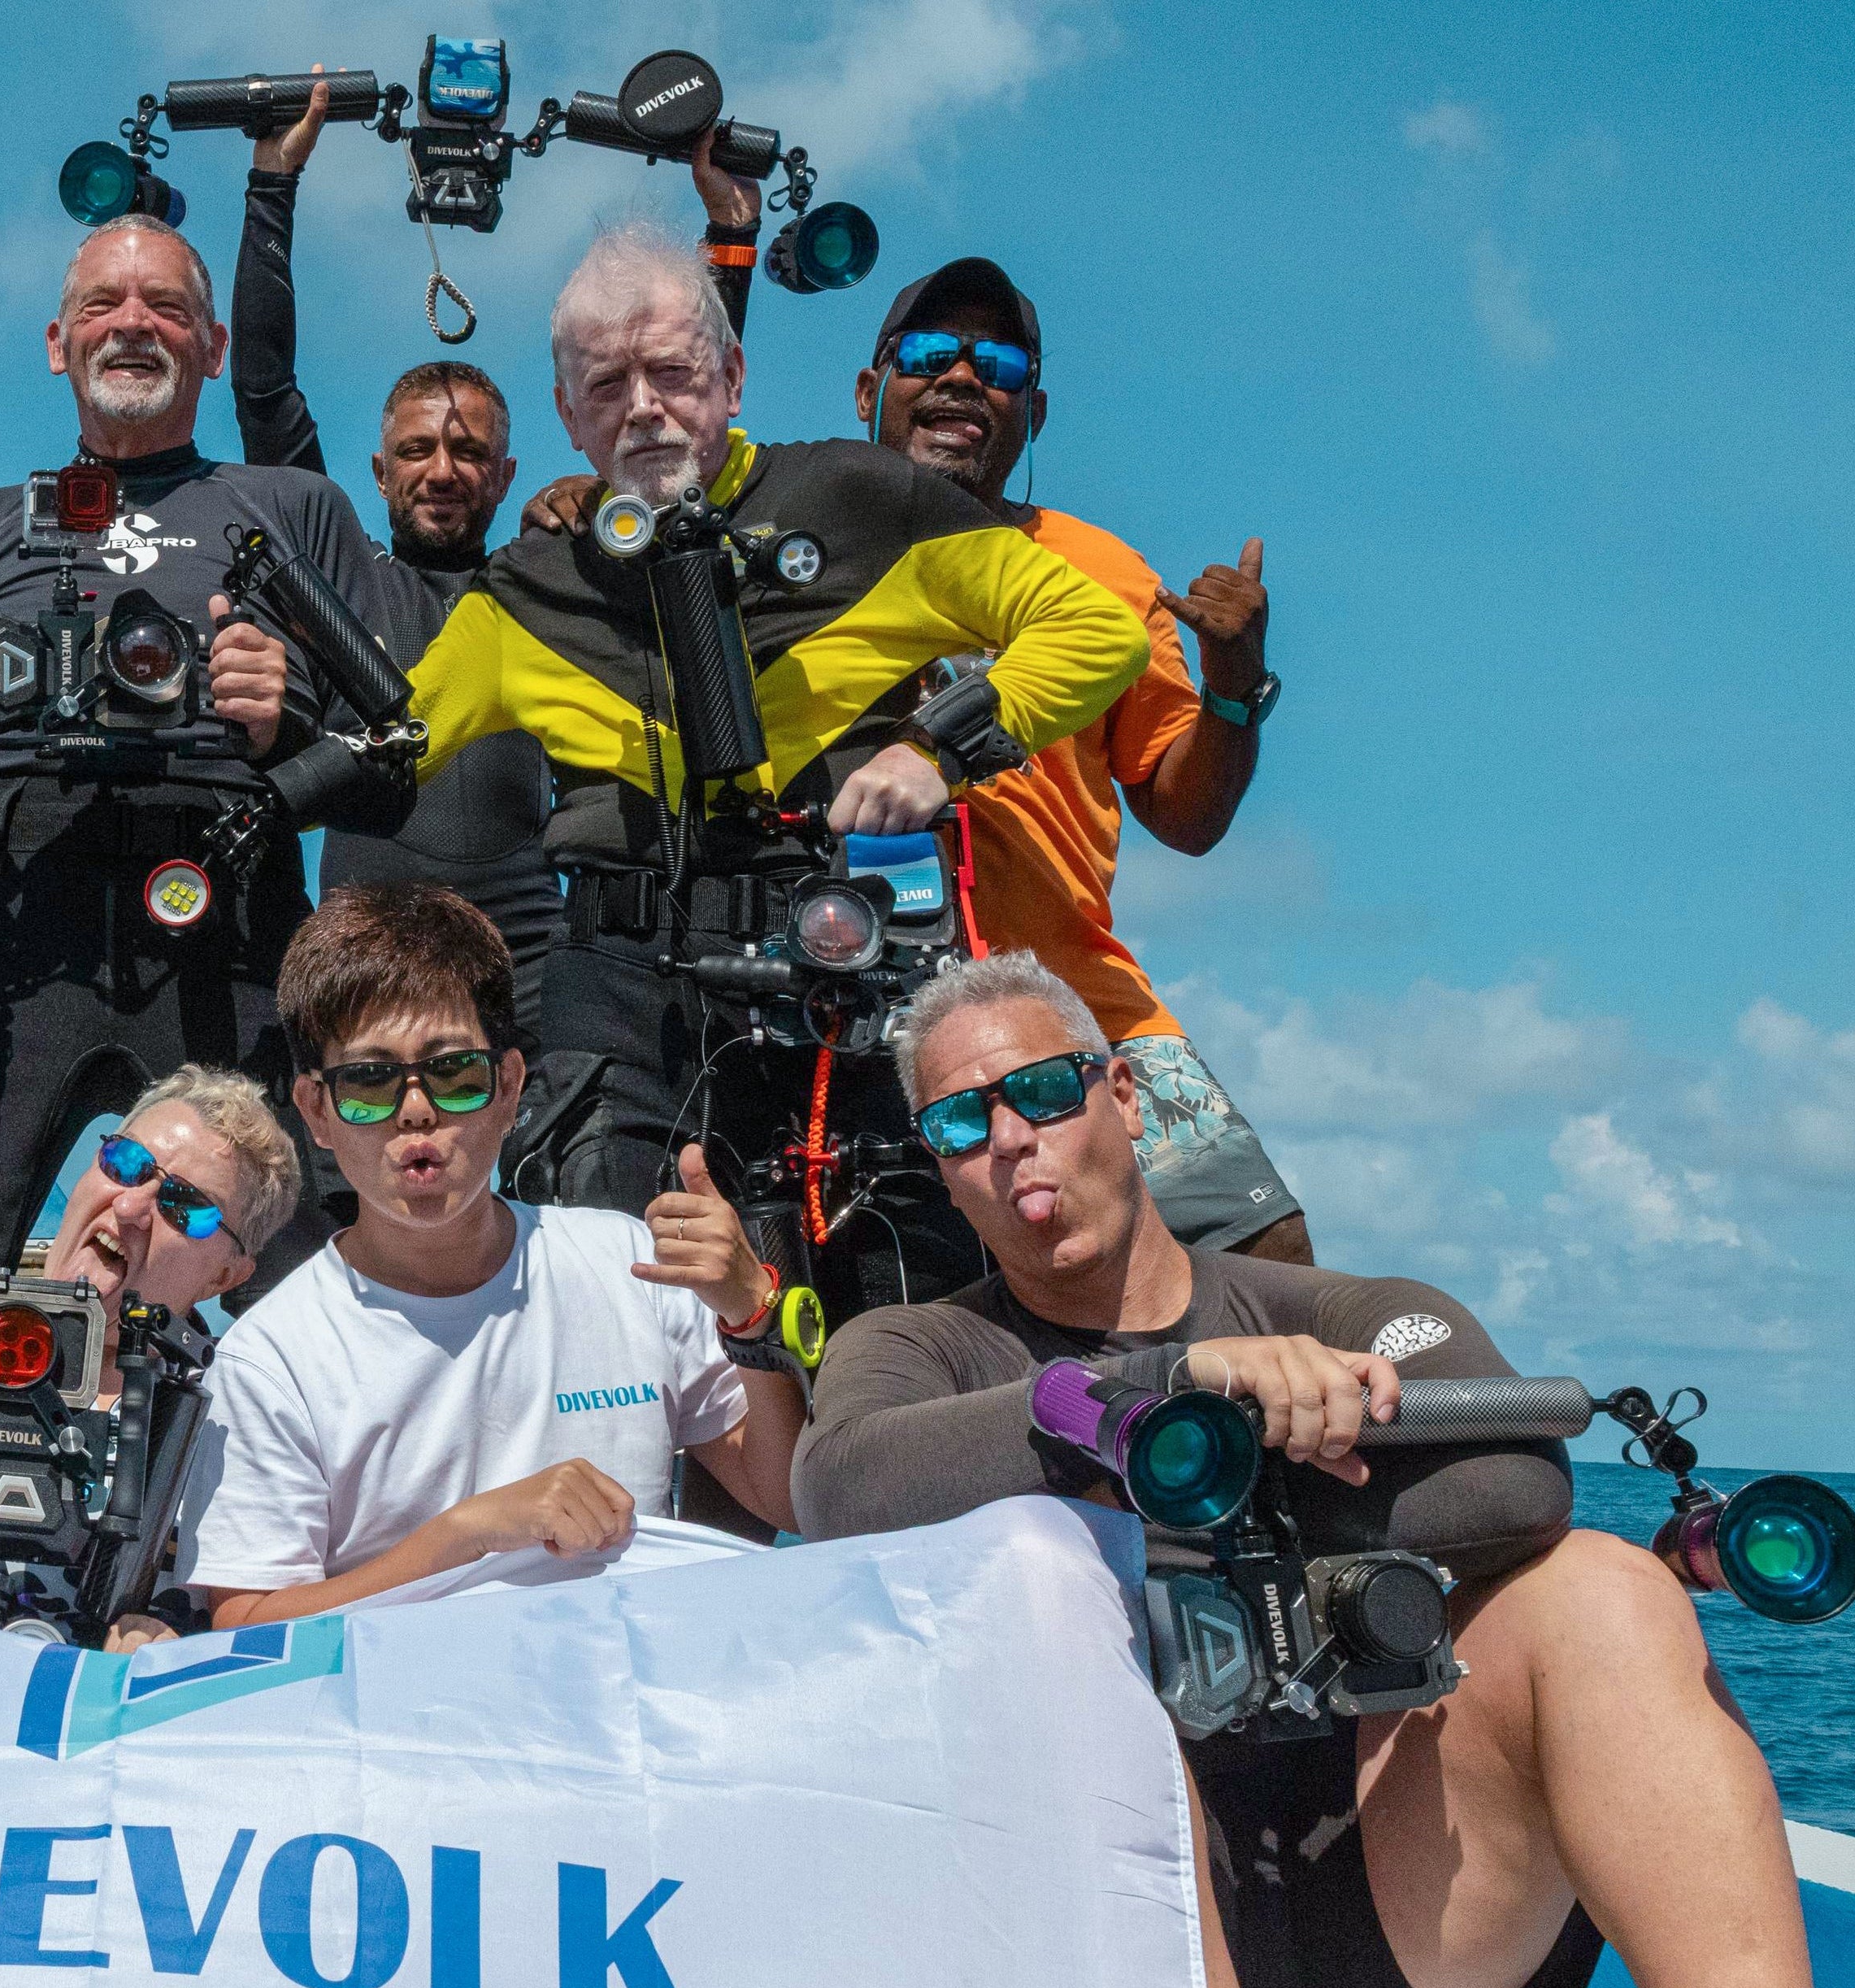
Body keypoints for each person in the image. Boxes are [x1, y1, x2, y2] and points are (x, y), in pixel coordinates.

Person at [790, 950, 1855, 1988]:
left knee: (1606, 1585)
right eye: (961, 1120)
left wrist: (1240, 1456)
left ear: (1124, 1097)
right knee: (1032, 1578)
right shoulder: (912, 1352)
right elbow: (840, 1490)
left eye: (1037, 1087)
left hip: (1398, 1936)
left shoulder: (1331, 1315)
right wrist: (1169, 1391)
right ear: (940, 1166)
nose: (1009, 1133)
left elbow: (1513, 1475)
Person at [401, 224, 1149, 1331]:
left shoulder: (862, 499)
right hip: (623, 1000)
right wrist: (270, 709)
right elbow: (387, 747)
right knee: (624, 1322)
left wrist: (937, 749)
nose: (643, 407)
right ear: (566, 416)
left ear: (731, 379)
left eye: (672, 373)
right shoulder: (522, 588)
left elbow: (1091, 629)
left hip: (841, 978)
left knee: (905, 1321)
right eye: (606, 385)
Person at [0, 213, 397, 1371]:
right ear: (55, 342)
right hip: (6, 909)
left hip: (220, 898)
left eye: (163, 308)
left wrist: (284, 720)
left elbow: (393, 760)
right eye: (102, 304)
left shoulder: (291, 511)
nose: (130, 324)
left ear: (208, 344)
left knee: (300, 1288)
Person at [225, 83, 767, 1025]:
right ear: (377, 471)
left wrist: (728, 233)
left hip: (529, 953)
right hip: (362, 939)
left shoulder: (550, 577)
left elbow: (683, 426)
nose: (443, 470)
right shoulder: (337, 575)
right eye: (416, 452)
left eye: (469, 452)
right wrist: (273, 179)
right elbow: (265, 390)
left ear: (508, 467)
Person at [842, 256, 1309, 1259]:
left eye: (996, 363)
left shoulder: (1104, 570)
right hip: (857, 1004)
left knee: (1265, 1252)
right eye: (928, 354)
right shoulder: (798, 545)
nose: (963, 377)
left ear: (1033, 414)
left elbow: (1185, 818)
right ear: (868, 390)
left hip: (1074, 998)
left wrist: (1235, 683)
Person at [179, 885, 806, 1625]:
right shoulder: (270, 1358)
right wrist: (466, 1535)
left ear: (508, 1087)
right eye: (369, 1082)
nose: (415, 1109)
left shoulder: (629, 1267)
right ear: (316, 1111)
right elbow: (241, 1620)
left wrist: (750, 1316)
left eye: (453, 1073)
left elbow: (785, 1497)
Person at [0, 1060, 299, 1635]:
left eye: (185, 1206)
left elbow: (236, 1614)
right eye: (125, 1164)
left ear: (225, 1275)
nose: (130, 1207)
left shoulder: (230, 1412)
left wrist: (171, 1640)